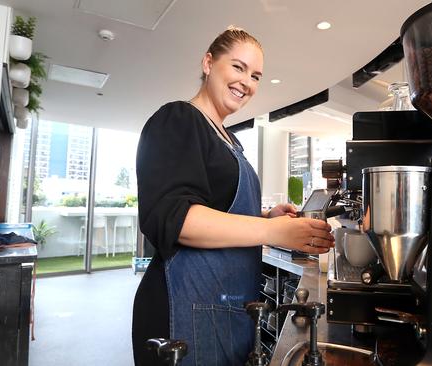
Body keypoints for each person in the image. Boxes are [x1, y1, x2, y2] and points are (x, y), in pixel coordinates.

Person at [132, 26, 334, 366]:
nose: (247, 82)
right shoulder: (178, 120)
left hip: (225, 308)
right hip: (181, 311)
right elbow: (175, 219)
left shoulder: (230, 140)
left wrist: (265, 217)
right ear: (209, 62)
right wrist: (272, 232)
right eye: (238, 67)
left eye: (255, 75)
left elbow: (217, 209)